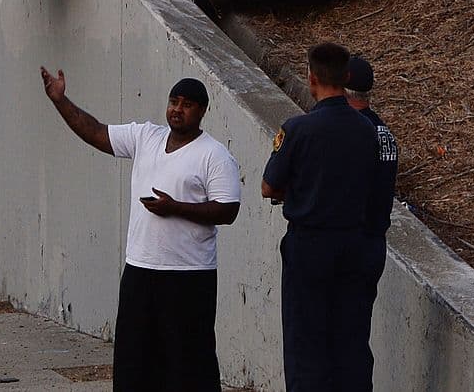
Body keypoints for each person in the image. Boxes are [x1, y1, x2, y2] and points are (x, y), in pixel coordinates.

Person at [40, 67, 241, 392]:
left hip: (189, 275)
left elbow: (228, 210)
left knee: (188, 363)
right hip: (140, 270)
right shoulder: (147, 136)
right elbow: (96, 132)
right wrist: (60, 100)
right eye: (173, 101)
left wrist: (175, 208)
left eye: (187, 104)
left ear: (203, 111)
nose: (177, 109)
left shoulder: (214, 155)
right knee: (135, 361)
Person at [260, 42, 378, 392]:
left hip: (310, 246)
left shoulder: (298, 129)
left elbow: (269, 186)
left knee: (306, 343)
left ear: (311, 78)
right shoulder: (366, 130)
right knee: (351, 341)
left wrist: (300, 191)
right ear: (346, 77)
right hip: (354, 244)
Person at [345, 55, 399, 383]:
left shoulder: (351, 133)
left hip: (348, 243)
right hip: (374, 243)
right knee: (357, 337)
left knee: (334, 339)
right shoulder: (385, 134)